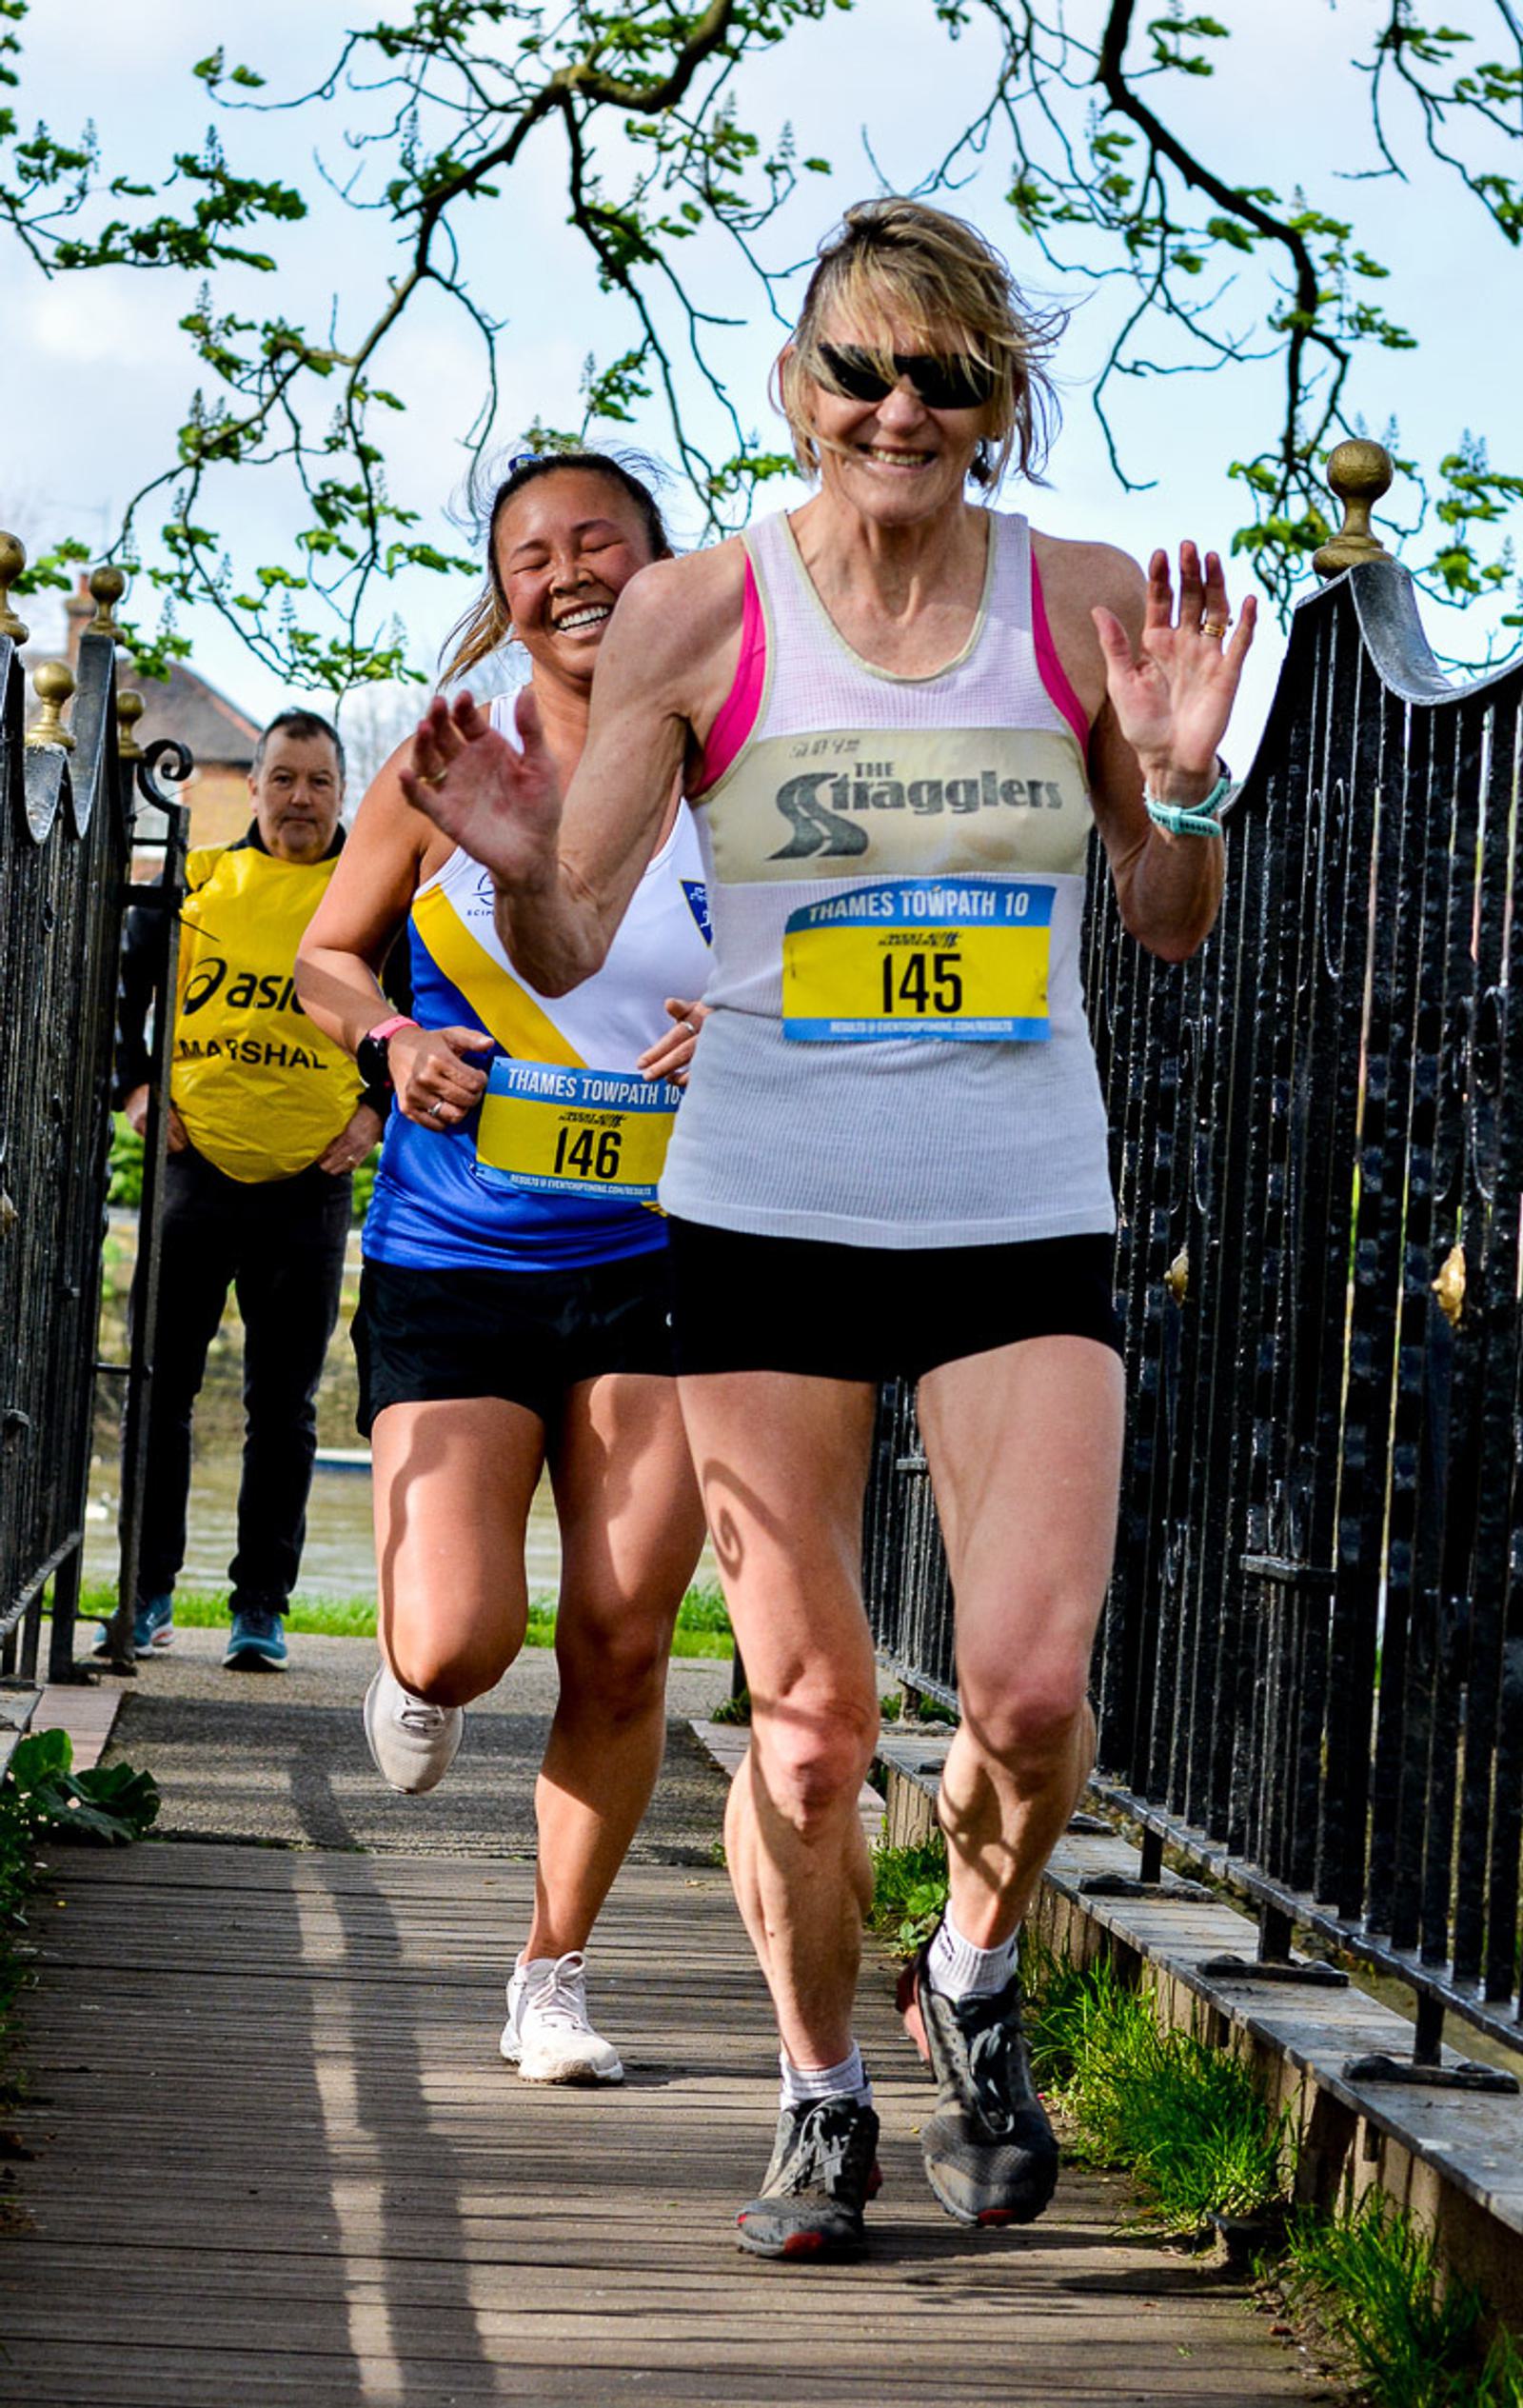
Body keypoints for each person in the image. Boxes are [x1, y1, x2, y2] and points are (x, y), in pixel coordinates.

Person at [405, 200, 1256, 2250]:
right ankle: (814, 2091)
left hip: (1011, 1207)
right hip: (768, 1207)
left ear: (995, 403)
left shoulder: (1065, 603)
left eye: (944, 376)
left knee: (1030, 1698)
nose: (898, 408)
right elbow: (579, 920)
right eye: (860, 369)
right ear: (797, 388)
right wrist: (522, 865)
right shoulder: (699, 613)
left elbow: (1156, 922)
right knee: (804, 1728)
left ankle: (965, 1965)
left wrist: (1182, 784)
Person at [295, 450, 711, 2085]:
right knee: (465, 1631)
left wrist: (734, 1026)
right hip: (457, 1251)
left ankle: (553, 1971)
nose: (567, 569)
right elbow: (330, 952)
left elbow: (803, 961)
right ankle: (420, 1667)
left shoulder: (734, 772)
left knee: (622, 1629)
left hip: (665, 1249)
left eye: (598, 534)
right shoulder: (442, 758)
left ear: (661, 562)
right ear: (505, 590)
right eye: (529, 552)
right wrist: (391, 1034)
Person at [109, 709, 386, 1672]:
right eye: (282, 779)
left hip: (307, 1188)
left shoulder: (379, 902)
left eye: (317, 780)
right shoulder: (197, 884)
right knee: (159, 1391)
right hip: (192, 1172)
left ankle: (259, 1607)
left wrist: (376, 1115)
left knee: (286, 1407)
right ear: (257, 786)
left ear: (342, 791)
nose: (298, 798)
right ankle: (143, 1594)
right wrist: (134, 1087)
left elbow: (430, 1009)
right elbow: (119, 992)